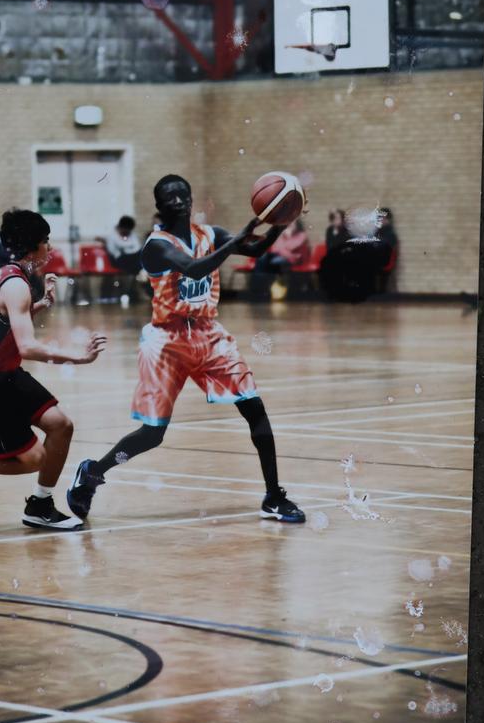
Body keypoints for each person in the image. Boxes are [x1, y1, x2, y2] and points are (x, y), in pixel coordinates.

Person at [66, 174, 305, 524]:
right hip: (167, 342)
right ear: (159, 205)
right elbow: (194, 268)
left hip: (209, 334)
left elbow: (252, 249)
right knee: (152, 434)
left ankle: (273, 495)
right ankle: (92, 473)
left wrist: (280, 222)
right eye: (169, 196)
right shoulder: (155, 245)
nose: (177, 199)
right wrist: (234, 240)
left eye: (182, 194)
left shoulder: (211, 235)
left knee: (255, 410)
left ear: (191, 200)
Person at [0, 208, 107, 531]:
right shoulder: (16, 285)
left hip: (4, 373)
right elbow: (28, 347)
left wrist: (40, 304)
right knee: (33, 459)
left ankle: (40, 506)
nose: (50, 248)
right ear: (33, 245)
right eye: (46, 241)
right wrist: (78, 356)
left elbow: (0, 319)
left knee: (61, 425)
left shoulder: (10, 274)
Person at [250, 218, 310, 301]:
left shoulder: (302, 235)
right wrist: (287, 250)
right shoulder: (283, 235)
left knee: (274, 261)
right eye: (288, 224)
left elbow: (291, 247)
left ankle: (263, 290)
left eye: (292, 223)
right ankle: (258, 288)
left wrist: (285, 243)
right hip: (281, 256)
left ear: (298, 225)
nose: (290, 225)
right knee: (261, 258)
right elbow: (275, 248)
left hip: (291, 261)